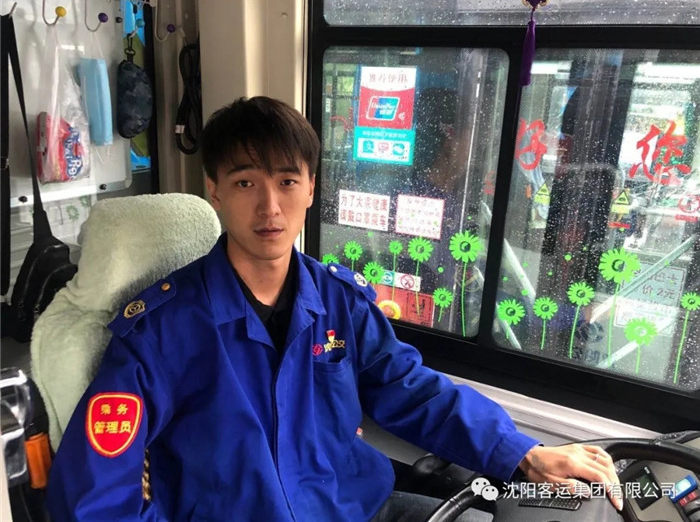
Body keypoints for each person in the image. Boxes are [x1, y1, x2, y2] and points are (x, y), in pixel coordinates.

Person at [46, 96, 622, 521]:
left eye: (286, 181)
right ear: (214, 190)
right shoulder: (158, 332)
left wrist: (524, 454)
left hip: (357, 507)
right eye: (245, 184)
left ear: (311, 188)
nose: (270, 207)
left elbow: (414, 391)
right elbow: (94, 497)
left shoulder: (339, 303)